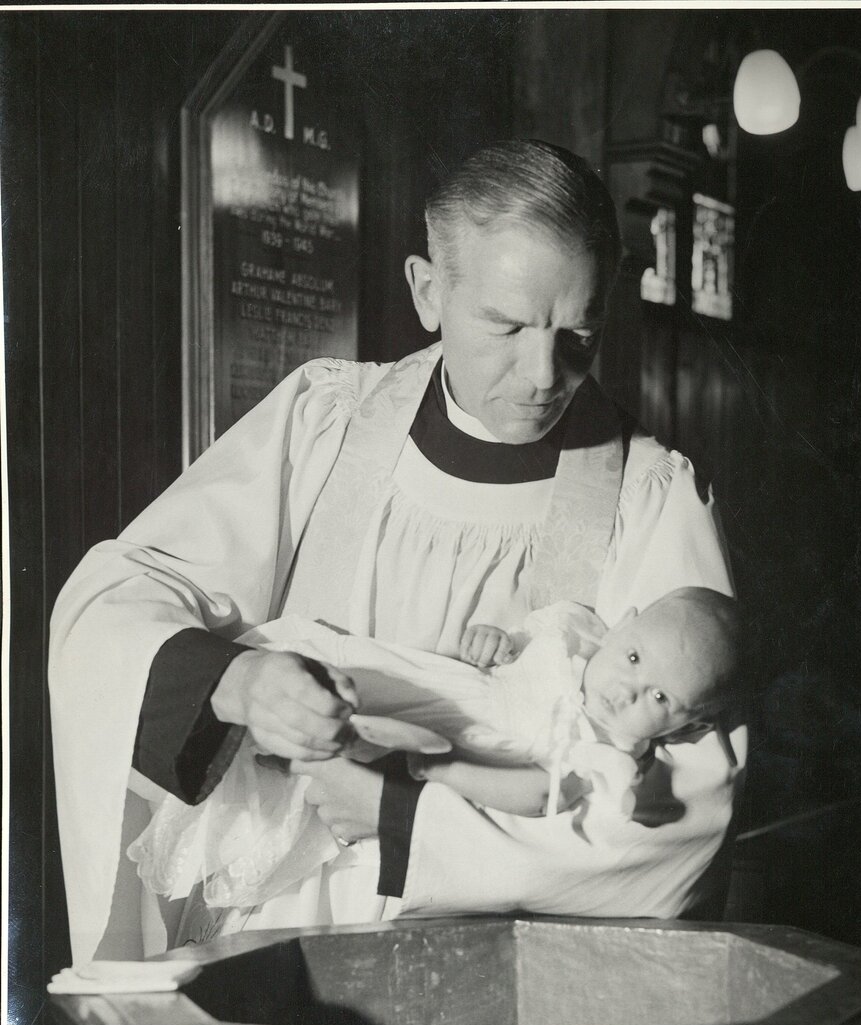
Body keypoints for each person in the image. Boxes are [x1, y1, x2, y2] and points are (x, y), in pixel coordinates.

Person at [50, 138, 746, 982]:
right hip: (275, 933)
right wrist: (236, 682)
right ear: (428, 291)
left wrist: (402, 815)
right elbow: (112, 600)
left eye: (580, 333)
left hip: (508, 971)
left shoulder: (649, 496)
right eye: (506, 326)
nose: (543, 374)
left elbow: (692, 806)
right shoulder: (324, 422)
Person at [125, 588, 741, 918]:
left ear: (689, 726)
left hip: (446, 738)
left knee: (341, 735)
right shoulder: (577, 639)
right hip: (441, 684)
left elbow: (534, 793)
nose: (627, 690)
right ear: (623, 625)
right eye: (633, 658)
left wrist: (434, 768)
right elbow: (517, 642)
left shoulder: (602, 752)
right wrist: (495, 642)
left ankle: (290, 745)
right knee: (329, 679)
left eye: (659, 697)